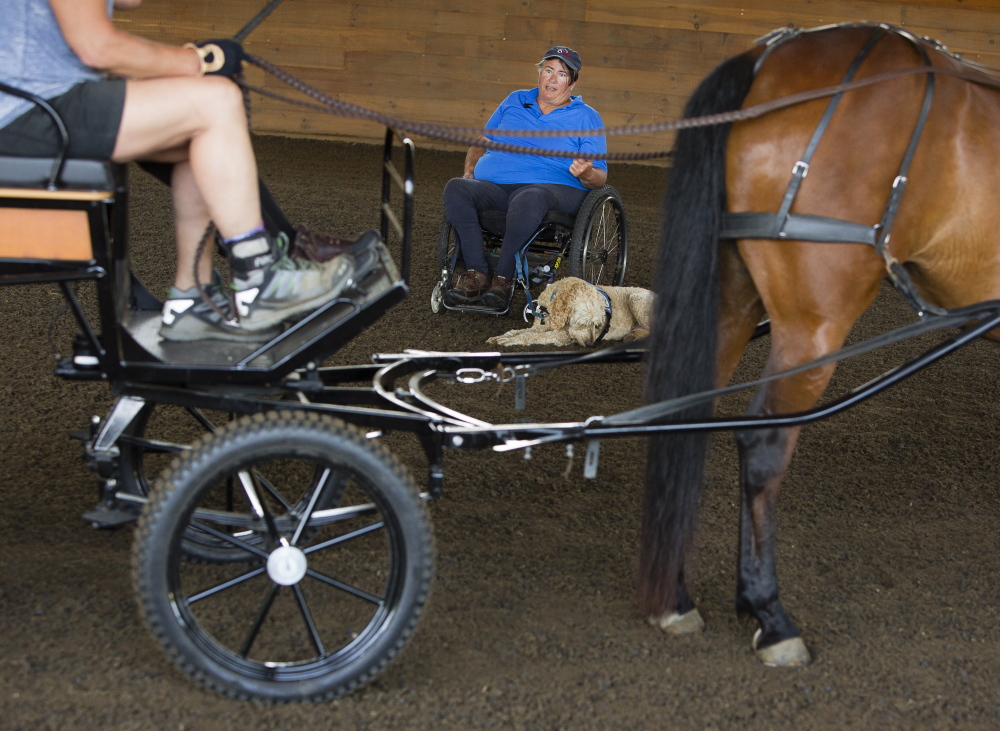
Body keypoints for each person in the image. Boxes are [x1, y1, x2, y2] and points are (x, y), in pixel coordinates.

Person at [0, 0, 356, 342]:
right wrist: (198, 60)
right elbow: (98, 48)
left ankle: (191, 299)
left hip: (45, 100)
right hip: (26, 111)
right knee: (216, 100)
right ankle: (260, 279)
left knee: (195, 134)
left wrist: (193, 64)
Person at [442, 46, 608, 311]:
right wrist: (470, 171)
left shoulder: (587, 117)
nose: (552, 79)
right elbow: (480, 143)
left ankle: (503, 279)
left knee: (529, 196)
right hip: (497, 188)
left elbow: (600, 176)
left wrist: (586, 172)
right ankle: (477, 274)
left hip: (553, 190)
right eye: (548, 70)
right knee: (457, 188)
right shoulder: (515, 100)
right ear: (540, 73)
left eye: (561, 74)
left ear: (572, 82)